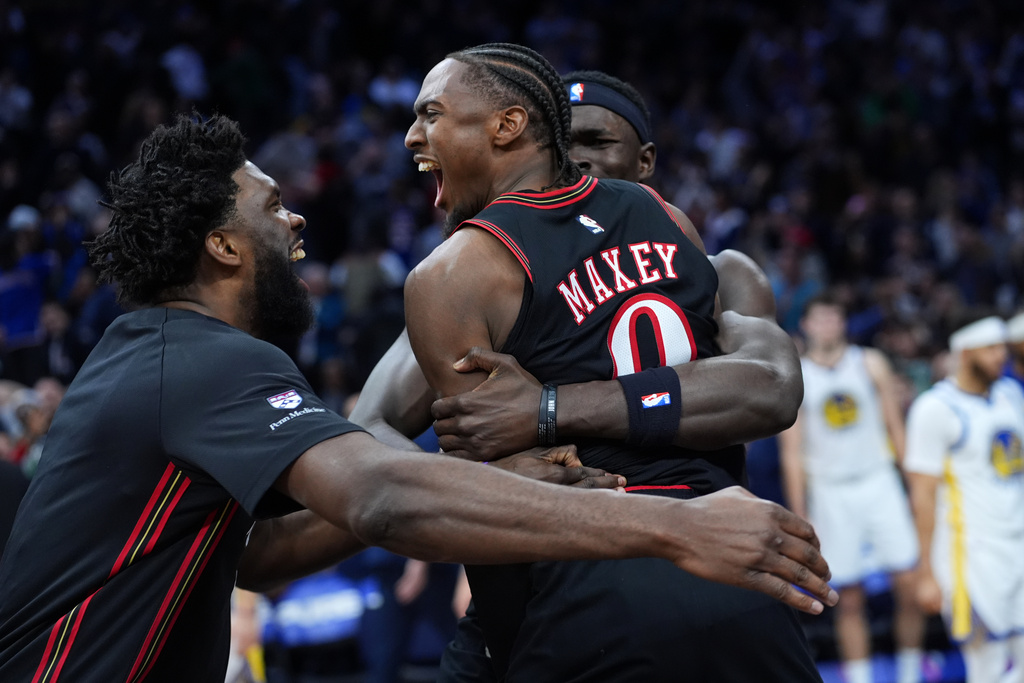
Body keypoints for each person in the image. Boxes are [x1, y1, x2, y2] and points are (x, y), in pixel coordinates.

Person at [0, 114, 835, 682]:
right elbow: (381, 496)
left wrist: (514, 480)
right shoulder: (200, 359)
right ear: (221, 245)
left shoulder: (159, 355)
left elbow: (261, 554)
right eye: (273, 205)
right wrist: (676, 526)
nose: (296, 223)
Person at [352, 67, 801, 681]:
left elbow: (774, 388)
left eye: (597, 143)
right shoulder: (479, 273)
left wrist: (547, 409)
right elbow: (373, 429)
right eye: (568, 143)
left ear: (643, 161)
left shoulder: (703, 257)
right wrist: (474, 473)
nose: (579, 161)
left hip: (617, 571)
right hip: (668, 560)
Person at [777, 294, 924, 683]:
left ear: (843, 323)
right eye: (821, 319)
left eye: (835, 318)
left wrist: (913, 487)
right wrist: (800, 510)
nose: (829, 325)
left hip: (878, 479)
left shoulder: (870, 362)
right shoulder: (798, 375)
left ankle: (910, 673)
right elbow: (792, 452)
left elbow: (897, 427)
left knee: (910, 584)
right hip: (830, 490)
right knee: (848, 597)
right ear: (805, 326)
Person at [905, 316, 1024, 683]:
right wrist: (925, 572)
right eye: (989, 349)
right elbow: (922, 494)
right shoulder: (934, 409)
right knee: (985, 665)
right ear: (964, 352)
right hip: (967, 553)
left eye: (1001, 347)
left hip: (1017, 543)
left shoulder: (1011, 394)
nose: (999, 356)